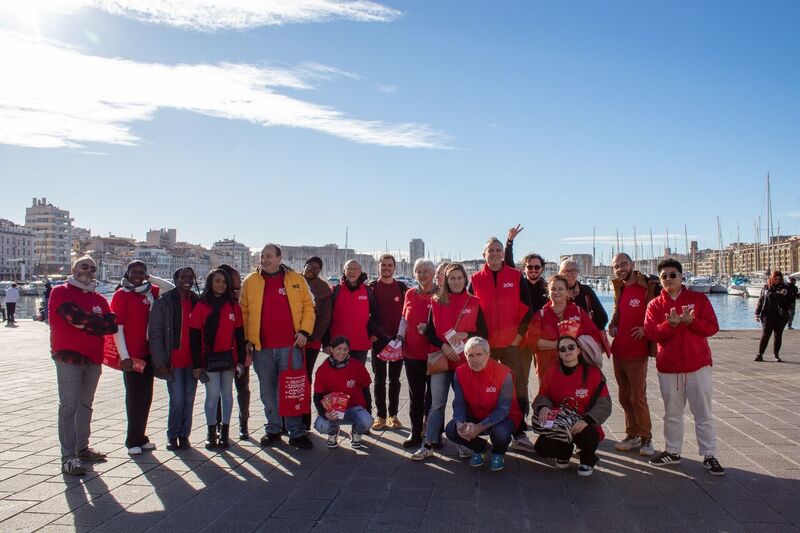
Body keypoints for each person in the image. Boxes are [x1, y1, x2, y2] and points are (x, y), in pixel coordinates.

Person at [644, 258, 724, 476]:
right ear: (660, 280)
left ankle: (709, 454)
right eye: (664, 276)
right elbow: (651, 333)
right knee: (672, 412)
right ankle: (672, 451)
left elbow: (712, 327)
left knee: (703, 412)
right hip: (669, 367)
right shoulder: (655, 305)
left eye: (673, 275)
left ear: (681, 277)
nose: (669, 279)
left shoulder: (698, 300)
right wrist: (669, 324)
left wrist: (692, 323)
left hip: (698, 366)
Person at [241, 244, 316, 449]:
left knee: (291, 390)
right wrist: (248, 339)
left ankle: (296, 431)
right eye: (262, 256)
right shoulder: (250, 282)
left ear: (279, 258)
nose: (265, 260)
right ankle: (273, 428)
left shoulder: (296, 280)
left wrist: (304, 332)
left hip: (290, 346)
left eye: (269, 256)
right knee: (268, 391)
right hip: (262, 347)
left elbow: (309, 307)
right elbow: (244, 312)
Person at [49, 256, 118, 475]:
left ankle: (82, 448)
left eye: (92, 268)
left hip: (93, 358)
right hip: (68, 357)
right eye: (83, 266)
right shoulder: (60, 292)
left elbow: (111, 325)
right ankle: (68, 457)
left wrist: (91, 323)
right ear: (74, 268)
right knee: (68, 405)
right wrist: (95, 323)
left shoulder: (99, 298)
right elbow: (75, 318)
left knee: (86, 404)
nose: (88, 270)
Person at [411, 263, 486, 460]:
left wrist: (466, 333)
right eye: (452, 278)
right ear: (445, 279)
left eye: (459, 277)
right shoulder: (436, 300)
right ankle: (428, 443)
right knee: (437, 404)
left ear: (465, 278)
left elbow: (483, 332)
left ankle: (464, 442)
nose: (456, 281)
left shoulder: (474, 301)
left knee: (464, 404)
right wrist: (443, 346)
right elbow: (429, 330)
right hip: (441, 359)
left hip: (465, 362)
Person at [469, 237, 534, 452]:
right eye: (491, 251)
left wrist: (518, 337)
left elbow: (527, 308)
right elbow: (470, 311)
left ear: (503, 253)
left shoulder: (516, 276)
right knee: (485, 388)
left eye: (498, 250)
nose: (495, 254)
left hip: (511, 344)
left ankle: (518, 431)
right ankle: (485, 427)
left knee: (517, 385)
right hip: (486, 346)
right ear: (484, 254)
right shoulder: (476, 279)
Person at [532, 333, 611, 476]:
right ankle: (564, 450)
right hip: (561, 423)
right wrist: (543, 407)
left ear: (579, 350)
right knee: (542, 449)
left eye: (571, 347)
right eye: (562, 349)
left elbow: (604, 405)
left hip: (582, 423)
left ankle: (588, 459)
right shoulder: (551, 372)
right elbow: (542, 395)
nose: (567, 351)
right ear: (559, 354)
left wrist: (586, 420)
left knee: (589, 435)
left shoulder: (593, 373)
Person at [504, 225, 550, 451]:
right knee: (520, 381)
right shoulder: (519, 283)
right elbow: (507, 265)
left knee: (547, 380)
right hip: (522, 341)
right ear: (525, 268)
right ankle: (519, 426)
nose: (533, 270)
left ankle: (548, 419)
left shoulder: (547, 288)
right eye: (530, 266)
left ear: (542, 269)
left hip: (542, 343)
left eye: (537, 267)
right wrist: (509, 242)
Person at [608, 253, 659, 457]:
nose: (620, 269)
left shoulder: (648, 286)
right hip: (619, 350)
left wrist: (647, 330)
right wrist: (612, 326)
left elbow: (660, 312)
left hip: (637, 352)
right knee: (624, 397)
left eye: (623, 264)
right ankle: (632, 435)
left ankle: (646, 438)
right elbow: (617, 313)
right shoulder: (619, 287)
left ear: (632, 265)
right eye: (616, 266)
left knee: (638, 397)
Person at [445, 337, 522, 471]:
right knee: (451, 430)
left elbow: (503, 409)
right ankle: (481, 448)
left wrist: (479, 427)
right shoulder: (460, 372)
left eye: (479, 354)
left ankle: (498, 453)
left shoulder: (504, 373)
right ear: (465, 356)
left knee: (501, 433)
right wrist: (459, 422)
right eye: (470, 355)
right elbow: (459, 402)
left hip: (504, 417)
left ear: (488, 354)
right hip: (475, 413)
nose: (475, 359)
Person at [190, 268, 246, 450]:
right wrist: (197, 365)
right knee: (212, 395)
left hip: (229, 358)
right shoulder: (201, 306)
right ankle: (211, 432)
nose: (221, 285)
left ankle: (225, 432)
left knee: (227, 394)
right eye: (217, 281)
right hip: (209, 359)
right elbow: (194, 338)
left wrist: (241, 361)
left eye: (224, 282)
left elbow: (239, 334)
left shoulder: (233, 306)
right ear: (210, 282)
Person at [110, 260, 161, 455]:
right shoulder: (121, 295)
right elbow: (118, 329)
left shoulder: (150, 292)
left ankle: (141, 436)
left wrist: (150, 279)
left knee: (146, 397)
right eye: (134, 272)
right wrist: (124, 356)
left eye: (142, 272)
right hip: (131, 356)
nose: (138, 275)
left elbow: (169, 287)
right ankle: (132, 441)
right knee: (134, 398)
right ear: (128, 273)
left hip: (147, 354)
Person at [150, 266, 199, 451]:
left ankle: (184, 435)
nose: (187, 280)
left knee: (189, 399)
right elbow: (156, 333)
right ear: (176, 279)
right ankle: (173, 435)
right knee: (177, 399)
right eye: (183, 277)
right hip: (174, 361)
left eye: (190, 277)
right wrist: (161, 361)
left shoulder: (196, 300)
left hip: (192, 361)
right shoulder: (164, 302)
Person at [526, 275, 604, 385]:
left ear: (567, 291)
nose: (556, 292)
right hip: (549, 371)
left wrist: (578, 344)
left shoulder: (578, 312)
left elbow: (594, 335)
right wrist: (558, 345)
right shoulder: (541, 315)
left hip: (577, 369)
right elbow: (532, 341)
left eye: (560, 289)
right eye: (553, 289)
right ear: (548, 291)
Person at [366, 254, 408, 431]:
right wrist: (371, 334)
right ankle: (381, 416)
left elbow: (407, 314)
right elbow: (365, 313)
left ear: (394, 267)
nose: (386, 268)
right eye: (383, 265)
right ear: (378, 267)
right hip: (378, 340)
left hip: (397, 341)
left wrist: (402, 336)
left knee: (395, 380)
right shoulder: (371, 287)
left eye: (389, 265)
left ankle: (393, 415)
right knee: (379, 380)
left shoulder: (402, 287)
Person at [397, 258, 436, 448]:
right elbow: (404, 319)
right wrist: (399, 337)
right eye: (419, 271)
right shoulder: (410, 293)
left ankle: (431, 433)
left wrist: (429, 328)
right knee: (416, 395)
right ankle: (415, 432)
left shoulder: (441, 294)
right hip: (412, 353)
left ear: (434, 273)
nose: (422, 274)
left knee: (433, 397)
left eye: (426, 270)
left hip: (434, 353)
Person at [313, 336, 374, 449]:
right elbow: (317, 396)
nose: (342, 352)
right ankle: (333, 432)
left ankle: (355, 432)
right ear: (331, 349)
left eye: (345, 349)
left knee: (367, 421)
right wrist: (324, 413)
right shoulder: (322, 370)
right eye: (339, 349)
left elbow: (366, 390)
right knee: (321, 426)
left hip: (353, 409)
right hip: (333, 412)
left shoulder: (357, 366)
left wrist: (368, 411)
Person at [213, 265, 251, 439]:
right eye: (236, 278)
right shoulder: (216, 301)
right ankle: (219, 423)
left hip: (241, 352)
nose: (239, 281)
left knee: (242, 388)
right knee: (220, 391)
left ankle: (244, 423)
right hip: (221, 353)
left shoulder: (241, 300)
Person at [326, 260, 381, 365]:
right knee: (338, 376)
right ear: (344, 271)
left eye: (355, 269)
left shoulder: (367, 291)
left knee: (357, 377)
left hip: (360, 342)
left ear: (360, 271)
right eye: (349, 268)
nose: (352, 271)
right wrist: (326, 342)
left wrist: (373, 333)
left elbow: (375, 314)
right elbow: (327, 317)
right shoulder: (335, 290)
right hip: (338, 343)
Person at [302, 256, 333, 430]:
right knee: (288, 380)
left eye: (317, 268)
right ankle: (287, 417)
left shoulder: (323, 289)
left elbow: (325, 317)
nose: (313, 269)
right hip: (291, 340)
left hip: (312, 341)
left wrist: (314, 336)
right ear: (305, 266)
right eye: (310, 265)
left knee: (305, 378)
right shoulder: (293, 281)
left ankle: (305, 419)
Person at [559, 259, 608, 330]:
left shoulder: (586, 291)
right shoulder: (555, 292)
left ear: (578, 273)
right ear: (560, 274)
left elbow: (602, 317)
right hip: (561, 338)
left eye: (573, 271)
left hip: (584, 336)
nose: (569, 274)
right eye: (565, 271)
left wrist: (588, 332)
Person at [755, 271, 793, 362]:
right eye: (775, 279)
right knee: (766, 334)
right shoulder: (766, 288)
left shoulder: (785, 288)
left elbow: (791, 300)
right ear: (772, 278)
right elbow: (761, 300)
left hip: (781, 315)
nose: (777, 281)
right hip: (767, 314)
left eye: (779, 279)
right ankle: (760, 354)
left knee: (778, 334)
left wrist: (783, 295)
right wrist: (757, 313)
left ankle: (776, 355)